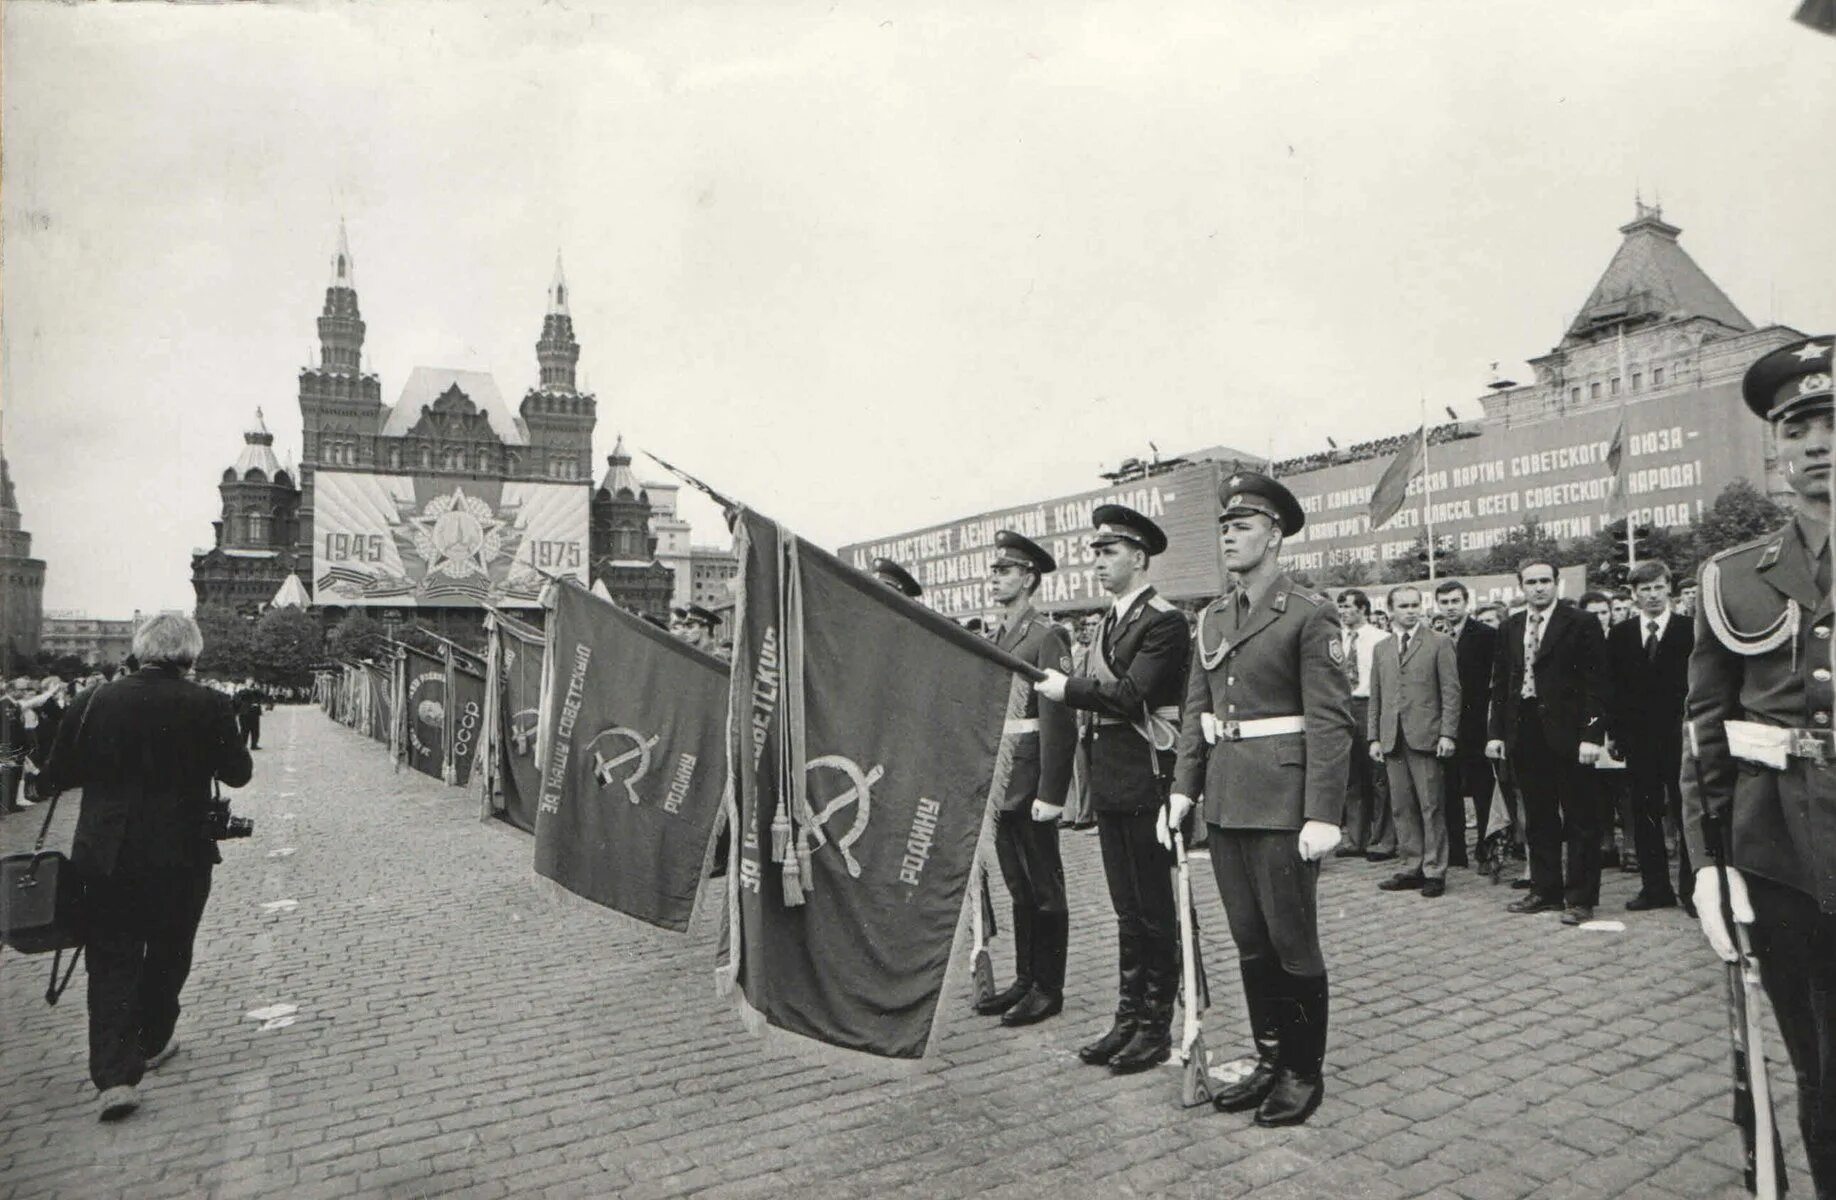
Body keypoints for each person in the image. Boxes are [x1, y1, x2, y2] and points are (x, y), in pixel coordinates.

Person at [1684, 335, 1836, 1196]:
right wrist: (1708, 865)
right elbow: (1706, 732)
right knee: (1823, 1072)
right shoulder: (1733, 578)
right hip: (1781, 857)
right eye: (1798, 424)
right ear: (1776, 446)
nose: (1818, 441)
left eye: (1833, 420)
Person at [1166, 472, 1352, 1126]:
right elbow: (1197, 710)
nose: (1229, 537)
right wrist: (1183, 790)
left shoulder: (1306, 610)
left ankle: (1303, 1070)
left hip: (1282, 800)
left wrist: (1324, 811)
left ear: (1274, 535)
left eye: (1241, 526)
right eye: (1224, 528)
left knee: (1292, 944)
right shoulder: (1213, 617)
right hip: (1227, 799)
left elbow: (1330, 719)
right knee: (1250, 942)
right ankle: (1270, 1057)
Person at [38, 613, 253, 1122]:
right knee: (170, 947)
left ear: (138, 649)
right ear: (190, 656)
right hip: (181, 853)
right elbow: (238, 774)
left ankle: (114, 1079)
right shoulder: (210, 703)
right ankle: (153, 1039)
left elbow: (55, 774)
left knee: (111, 958)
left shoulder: (93, 701)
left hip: (105, 853)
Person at [1035, 504, 1190, 1074]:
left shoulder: (1164, 621)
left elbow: (1131, 696)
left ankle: (1155, 1027)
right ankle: (1128, 1018)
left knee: (1153, 910)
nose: (1098, 562)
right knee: (1127, 910)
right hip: (1113, 780)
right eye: (1097, 553)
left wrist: (1066, 688)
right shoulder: (1108, 622)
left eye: (1109, 552)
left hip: (1148, 778)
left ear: (1139, 557)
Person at [976, 530, 1077, 1027]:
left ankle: (1048, 987)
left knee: (1044, 885)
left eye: (1006, 571)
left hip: (1033, 776)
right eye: (994, 571)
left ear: (1029, 578)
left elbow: (1059, 720)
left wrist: (1052, 792)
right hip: (1005, 779)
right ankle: (1024, 978)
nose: (996, 579)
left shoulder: (1045, 635)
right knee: (1018, 884)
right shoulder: (1001, 634)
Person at [1488, 560, 1610, 925]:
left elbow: (1598, 685)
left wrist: (1592, 734)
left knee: (1580, 819)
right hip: (1525, 733)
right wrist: (1496, 733)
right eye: (1531, 582)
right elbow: (1500, 686)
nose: (1538, 588)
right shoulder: (1511, 627)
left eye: (1545, 581)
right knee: (1539, 817)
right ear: (1520, 587)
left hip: (1571, 736)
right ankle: (1545, 890)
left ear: (1557, 583)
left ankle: (1581, 898)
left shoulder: (1581, 623)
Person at [1605, 560, 1694, 914]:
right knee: (1645, 813)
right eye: (1645, 589)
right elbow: (1614, 688)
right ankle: (1655, 887)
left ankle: (1692, 889)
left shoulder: (1690, 629)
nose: (1653, 595)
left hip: (1682, 738)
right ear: (1634, 594)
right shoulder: (1622, 633)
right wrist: (1614, 733)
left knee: (1687, 812)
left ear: (1669, 588)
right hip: (1639, 740)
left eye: (1658, 587)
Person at [1369, 585, 1461, 897]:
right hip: (1392, 737)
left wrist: (1448, 733)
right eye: (1403, 606)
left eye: (1415, 604)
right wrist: (1374, 737)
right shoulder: (1382, 648)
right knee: (1402, 807)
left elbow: (1451, 692)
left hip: (1427, 736)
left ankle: (1434, 870)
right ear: (1391, 610)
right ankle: (1411, 865)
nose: (1410, 610)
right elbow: (1376, 697)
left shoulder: (1439, 643)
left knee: (1431, 805)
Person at [1436, 580, 1499, 870]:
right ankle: (1456, 852)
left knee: (1482, 790)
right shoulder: (1436, 637)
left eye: (1455, 601)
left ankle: (1487, 850)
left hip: (1476, 725)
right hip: (1446, 726)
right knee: (1449, 791)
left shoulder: (1486, 635)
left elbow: (1495, 682)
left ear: (1466, 602)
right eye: (1445, 602)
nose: (1450, 607)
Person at [1331, 590, 1393, 862]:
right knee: (1351, 775)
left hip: (1370, 705)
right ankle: (1357, 838)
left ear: (1363, 609)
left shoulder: (1380, 639)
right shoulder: (1335, 640)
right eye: (1340, 607)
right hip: (1344, 708)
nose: (1343, 612)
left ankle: (1382, 840)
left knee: (1378, 776)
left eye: (1347, 607)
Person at [232, 678, 267, 750]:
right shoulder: (241, 691)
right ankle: (243, 745)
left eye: (252, 682)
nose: (251, 683)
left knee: (255, 730)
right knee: (244, 730)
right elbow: (237, 700)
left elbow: (262, 695)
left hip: (254, 713)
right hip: (245, 713)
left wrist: (257, 689)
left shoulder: (255, 691)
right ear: (246, 683)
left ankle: (254, 745)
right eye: (249, 682)